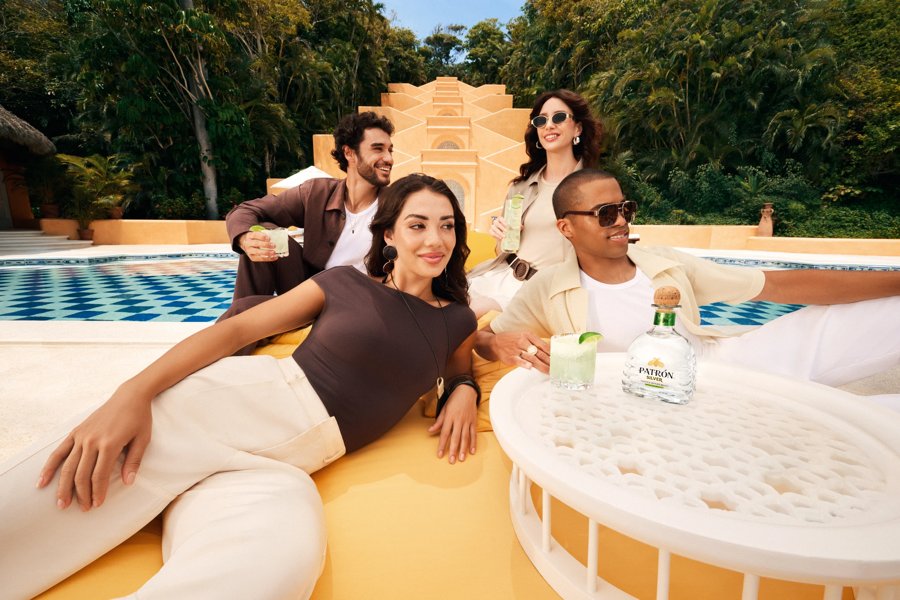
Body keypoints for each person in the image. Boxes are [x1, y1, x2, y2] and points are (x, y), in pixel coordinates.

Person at [0, 174, 480, 600]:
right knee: (43, 502)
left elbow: (459, 370)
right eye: (418, 224)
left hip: (285, 467)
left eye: (447, 225)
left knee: (277, 565)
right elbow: (235, 331)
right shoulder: (343, 284)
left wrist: (465, 391)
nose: (435, 239)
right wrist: (133, 392)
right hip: (229, 407)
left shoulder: (458, 319)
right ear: (390, 233)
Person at [476, 168, 900, 398]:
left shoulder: (666, 265)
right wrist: (498, 344)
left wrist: (894, 281)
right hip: (638, 398)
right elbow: (483, 338)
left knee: (872, 315)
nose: (622, 220)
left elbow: (779, 287)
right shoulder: (548, 287)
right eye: (606, 214)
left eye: (626, 208)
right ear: (567, 229)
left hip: (717, 369)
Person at [224, 110, 395, 306]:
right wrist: (245, 238)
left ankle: (243, 325)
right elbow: (245, 210)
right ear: (349, 153)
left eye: (390, 150)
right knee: (264, 235)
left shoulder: (396, 206)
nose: (388, 158)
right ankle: (244, 325)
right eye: (378, 149)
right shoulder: (316, 193)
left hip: (362, 305)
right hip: (310, 298)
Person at [467, 89, 602, 315]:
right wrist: (501, 236)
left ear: (577, 128)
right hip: (502, 275)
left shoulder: (593, 188)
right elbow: (504, 248)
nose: (549, 125)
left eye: (559, 117)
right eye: (541, 120)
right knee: (441, 299)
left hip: (542, 290)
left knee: (471, 312)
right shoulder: (521, 187)